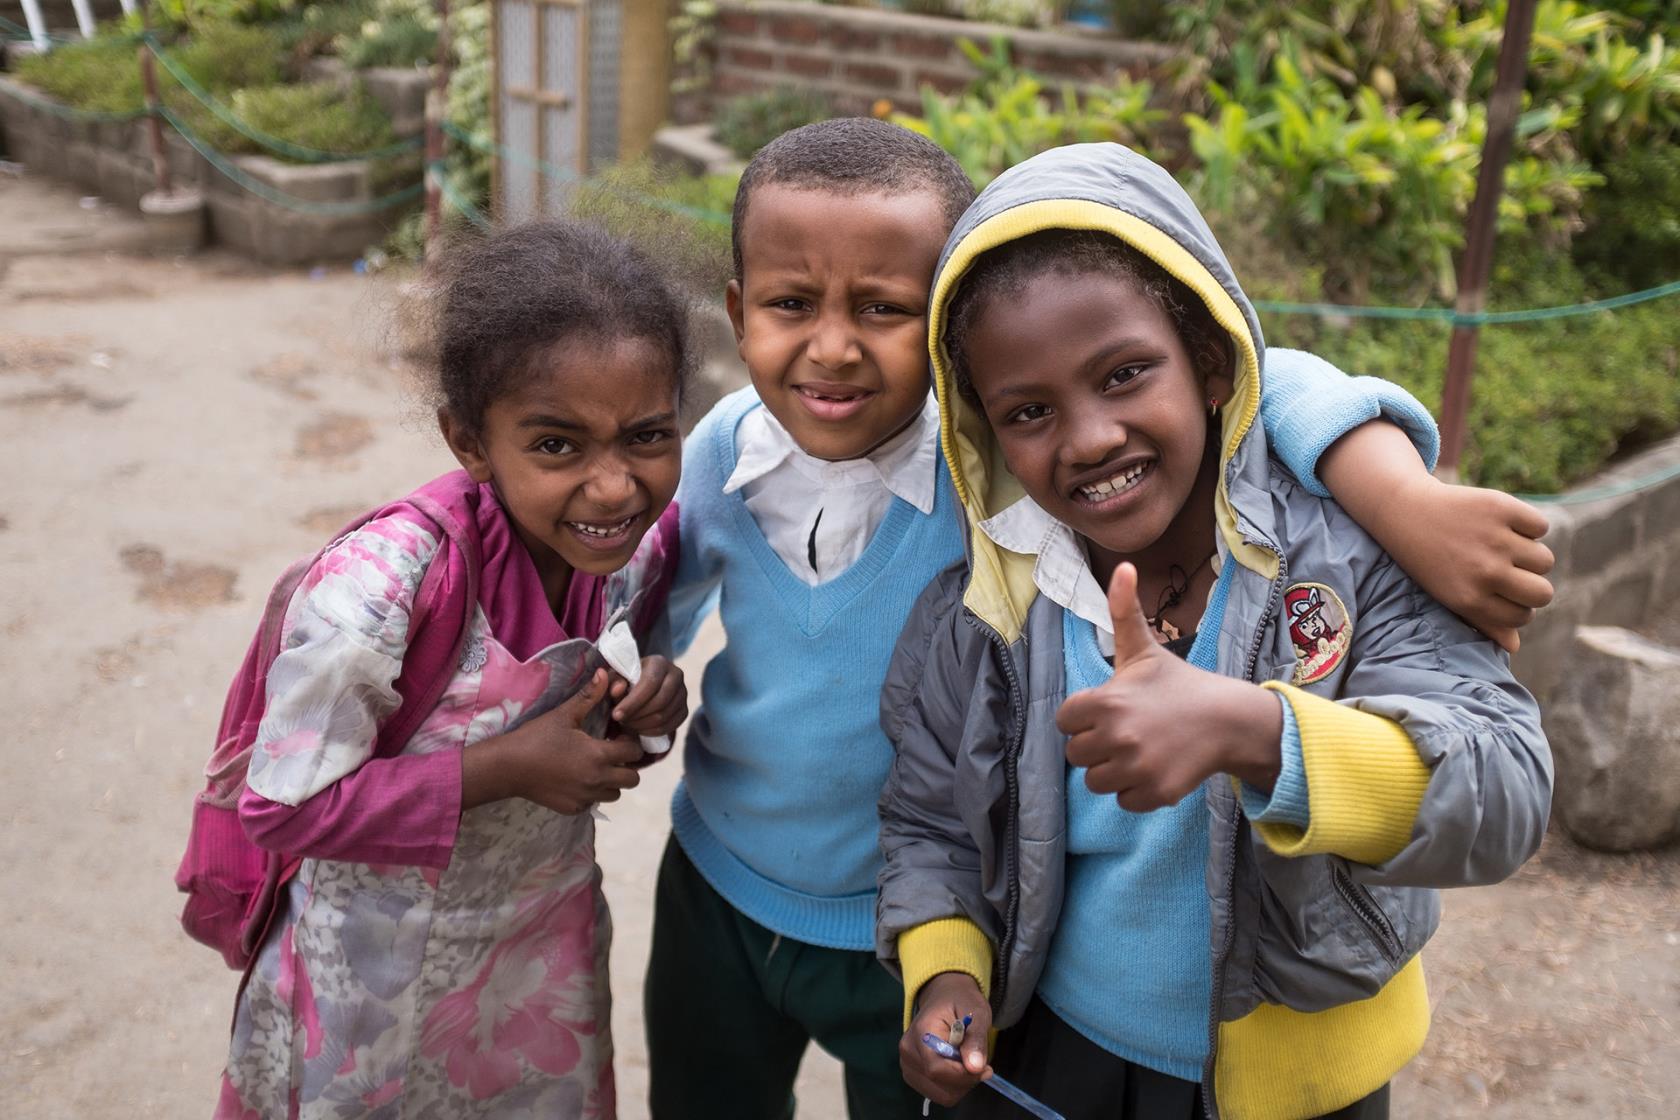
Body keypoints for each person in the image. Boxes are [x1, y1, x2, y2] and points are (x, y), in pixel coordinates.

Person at [646, 120, 1552, 1120]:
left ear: (1209, 361)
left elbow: (1504, 791)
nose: (1088, 437)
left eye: (1124, 375)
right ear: (982, 428)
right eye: (1027, 412)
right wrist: (948, 974)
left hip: (1291, 1089)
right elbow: (937, 814)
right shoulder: (997, 594)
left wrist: (1260, 733)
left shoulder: (1343, 557)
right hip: (1047, 1054)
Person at [216, 222, 692, 1119]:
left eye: (646, 436)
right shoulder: (382, 589)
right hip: (368, 981)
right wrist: (506, 769)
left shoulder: (628, 554)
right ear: (470, 441)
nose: (614, 487)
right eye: (557, 445)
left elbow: (601, 715)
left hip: (539, 956)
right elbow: (280, 807)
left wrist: (647, 709)